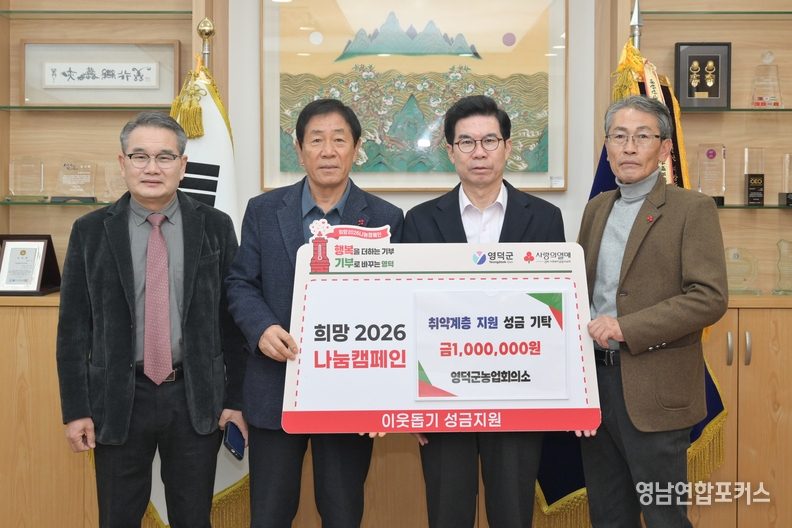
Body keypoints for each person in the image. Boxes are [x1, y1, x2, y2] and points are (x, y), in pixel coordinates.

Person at [56, 111, 247, 528]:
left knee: (193, 517)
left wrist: (236, 400)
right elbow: (72, 331)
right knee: (118, 517)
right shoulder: (90, 230)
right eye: (139, 156)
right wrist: (76, 410)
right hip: (117, 399)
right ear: (123, 163)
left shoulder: (215, 226)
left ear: (183, 164)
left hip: (194, 396)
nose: (152, 168)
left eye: (164, 157)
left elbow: (232, 322)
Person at [225, 98, 404, 528]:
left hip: (350, 392)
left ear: (356, 148)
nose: (328, 151)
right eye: (316, 140)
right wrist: (262, 327)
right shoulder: (264, 210)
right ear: (299, 148)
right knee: (269, 514)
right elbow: (240, 283)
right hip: (274, 386)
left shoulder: (386, 218)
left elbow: (396, 303)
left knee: (342, 513)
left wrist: (385, 394)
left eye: (339, 140)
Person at [403, 94, 565, 528]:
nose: (479, 152)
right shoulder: (419, 221)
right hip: (442, 396)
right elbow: (408, 313)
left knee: (512, 513)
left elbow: (554, 312)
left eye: (489, 140)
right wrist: (408, 399)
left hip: (519, 393)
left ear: (507, 148)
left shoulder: (546, 218)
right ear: (450, 151)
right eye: (467, 142)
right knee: (448, 513)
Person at [577, 95, 728, 527]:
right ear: (607, 146)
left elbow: (709, 297)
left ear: (664, 149)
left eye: (642, 137)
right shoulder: (596, 208)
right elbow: (582, 292)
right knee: (608, 516)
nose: (629, 147)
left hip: (655, 391)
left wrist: (626, 327)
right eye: (619, 136)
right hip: (596, 387)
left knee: (665, 518)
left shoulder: (691, 208)